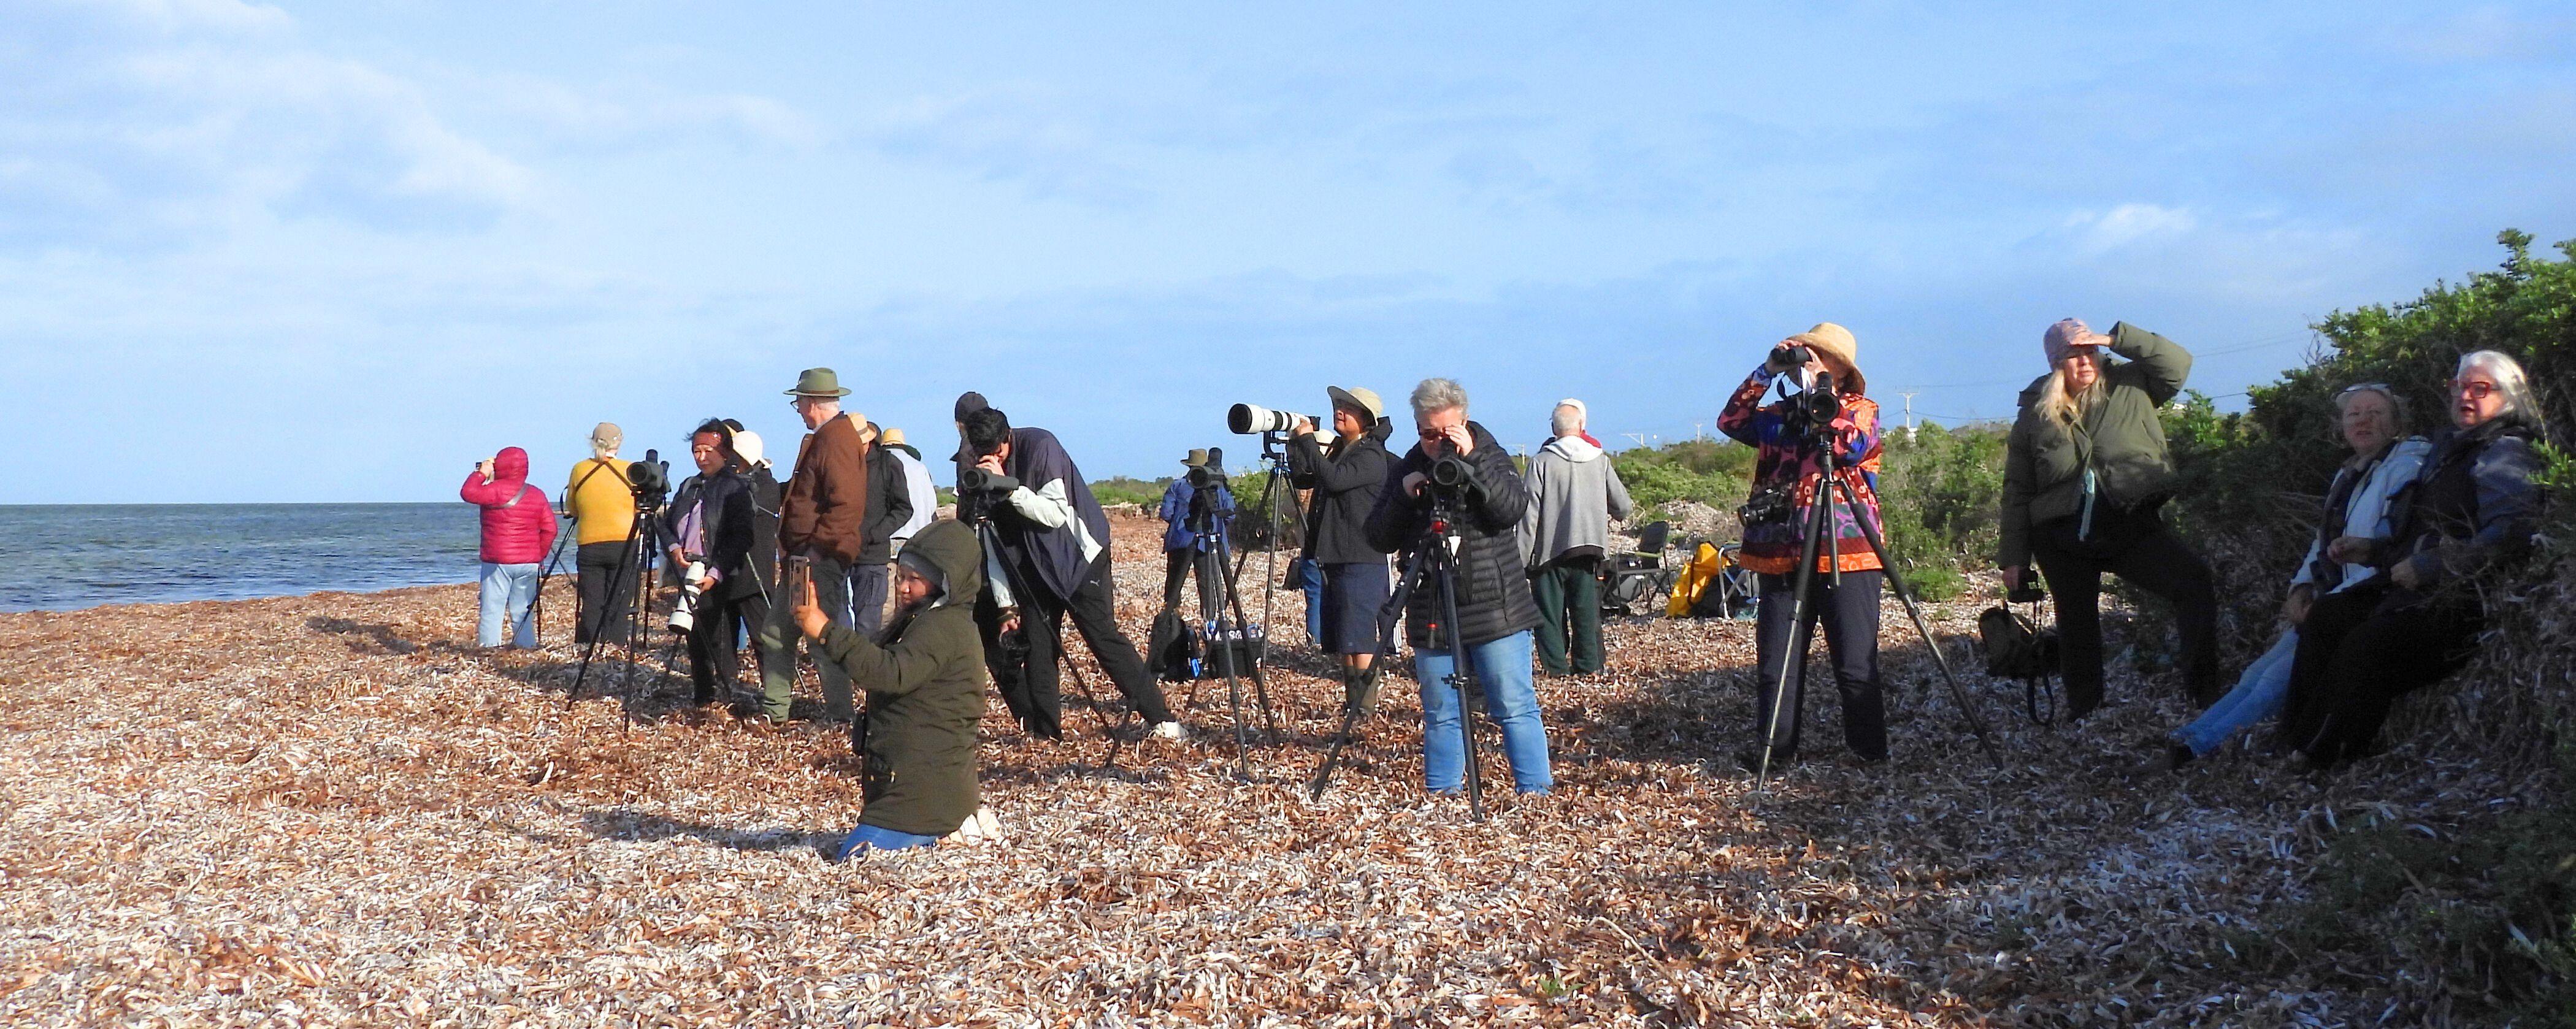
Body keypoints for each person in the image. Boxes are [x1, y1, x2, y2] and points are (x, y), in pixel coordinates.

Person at [2134, 384, 2432, 773]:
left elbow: (2388, 547)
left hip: (2361, 603)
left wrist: (2329, 598)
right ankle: (2188, 737)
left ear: (2396, 423)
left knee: (2273, 681)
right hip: (2330, 599)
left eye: (2375, 413)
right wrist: (2300, 587)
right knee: (2255, 675)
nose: (2363, 421)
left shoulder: (2406, 467)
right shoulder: (2351, 474)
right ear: (2341, 426)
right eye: (2354, 414)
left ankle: (2192, 751)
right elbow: (2322, 542)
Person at [2277, 351, 2547, 768]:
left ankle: (2322, 755)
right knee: (2330, 615)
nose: (2466, 397)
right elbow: (2417, 531)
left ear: (2509, 396)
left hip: (2461, 599)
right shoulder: (2450, 450)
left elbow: (2511, 532)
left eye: (2481, 389)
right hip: (2412, 589)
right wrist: (2374, 551)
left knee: (2370, 644)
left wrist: (2430, 566)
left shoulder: (2504, 451)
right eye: (2459, 387)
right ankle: (2293, 741)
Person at [1999, 318, 2218, 717]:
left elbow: (2177, 363)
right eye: (2074, 354)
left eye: (2091, 351)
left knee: (2193, 583)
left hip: (2129, 522)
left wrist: (2114, 338)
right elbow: (2018, 489)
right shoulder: (2034, 411)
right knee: (2077, 624)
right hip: (2060, 535)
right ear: (2056, 363)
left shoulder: (2131, 384)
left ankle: (2205, 697)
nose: (2085, 361)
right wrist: (2014, 559)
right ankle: (2084, 712)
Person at [1363, 378, 1552, 796]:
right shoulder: (1409, 465)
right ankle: (1442, 796)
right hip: (1433, 606)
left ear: (1464, 422)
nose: (1437, 444)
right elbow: (1377, 537)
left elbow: (1512, 510)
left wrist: (1473, 459)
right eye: (1427, 434)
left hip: (1495, 606)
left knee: (1514, 705)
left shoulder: (1490, 453)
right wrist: (1403, 496)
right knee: (1441, 712)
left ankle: (1535, 794)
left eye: (1445, 433)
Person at [961, 406, 1187, 741]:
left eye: (999, 452)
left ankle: (1163, 720)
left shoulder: (1041, 447)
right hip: (1034, 569)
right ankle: (1047, 734)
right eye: (985, 454)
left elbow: (1055, 514)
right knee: (1039, 649)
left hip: (1080, 558)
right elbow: (994, 546)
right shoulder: (979, 468)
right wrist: (1006, 605)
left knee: (1103, 639)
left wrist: (1009, 488)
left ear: (1008, 437)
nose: (994, 460)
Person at [1718, 324, 1888, 768]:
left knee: (1855, 663)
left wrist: (1821, 394)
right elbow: (1731, 421)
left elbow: (1851, 446)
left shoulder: (1861, 409)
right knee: (1777, 665)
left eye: (1819, 355)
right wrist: (1766, 371)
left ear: (1841, 370)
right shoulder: (1780, 414)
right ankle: (1775, 752)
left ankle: (1869, 753)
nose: (1807, 360)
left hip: (1848, 552)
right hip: (1782, 553)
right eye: (1804, 352)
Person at [793, 518, 989, 859]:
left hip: (926, 794)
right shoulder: (925, 620)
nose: (904, 588)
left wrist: (825, 631)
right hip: (912, 786)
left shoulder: (945, 626)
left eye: (916, 579)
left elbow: (889, 673)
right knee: (853, 855)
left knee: (853, 858)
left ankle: (943, 834)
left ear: (946, 582)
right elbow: (881, 663)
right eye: (901, 577)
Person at [751, 368, 872, 724]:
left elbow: (846, 505)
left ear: (812, 403)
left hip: (816, 558)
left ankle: (838, 714)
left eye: (799, 403)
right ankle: (777, 710)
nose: (799, 411)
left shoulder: (836, 439)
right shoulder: (831, 436)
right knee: (779, 632)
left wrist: (816, 552)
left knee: (819, 637)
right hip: (805, 557)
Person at [1287, 386, 1395, 714]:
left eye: (1349, 408)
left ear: (1366, 419)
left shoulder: (1371, 455)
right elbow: (1306, 480)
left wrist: (1309, 441)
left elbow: (1334, 480)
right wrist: (1297, 447)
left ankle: (1365, 707)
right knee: (1346, 638)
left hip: (1362, 557)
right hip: (1337, 556)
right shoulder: (1342, 449)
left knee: (1360, 638)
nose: (1340, 411)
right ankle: (1354, 703)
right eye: (1338, 405)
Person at [1520, 398, 1635, 678]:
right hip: (1590, 550)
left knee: (1549, 617)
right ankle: (1587, 667)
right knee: (1586, 614)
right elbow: (1624, 507)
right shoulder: (1600, 461)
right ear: (1582, 426)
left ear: (1553, 428)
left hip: (1550, 552)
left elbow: (1529, 515)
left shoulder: (1541, 463)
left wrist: (1520, 560)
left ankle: (1556, 670)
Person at [663, 420, 775, 705]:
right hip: (689, 569)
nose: (701, 457)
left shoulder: (735, 488)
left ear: (724, 452)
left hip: (719, 571)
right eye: (696, 451)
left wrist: (717, 571)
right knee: (697, 639)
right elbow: (667, 524)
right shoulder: (689, 486)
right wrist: (674, 548)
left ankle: (744, 694)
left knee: (726, 637)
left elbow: (742, 536)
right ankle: (704, 697)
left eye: (708, 451)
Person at [461, 446, 558, 649]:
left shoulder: (494, 490)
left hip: (497, 562)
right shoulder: (537, 494)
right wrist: (538, 555)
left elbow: (468, 493)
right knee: (523, 610)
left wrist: (482, 473)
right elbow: (550, 529)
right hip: (529, 562)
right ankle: (526, 647)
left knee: (492, 609)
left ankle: (490, 649)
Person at [559, 423, 637, 645]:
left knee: (592, 603)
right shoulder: (631, 470)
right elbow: (639, 507)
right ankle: (615, 646)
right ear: (619, 443)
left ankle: (589, 647)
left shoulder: (580, 469)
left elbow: (573, 507)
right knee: (619, 602)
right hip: (625, 542)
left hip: (590, 543)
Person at [850, 421, 918, 637]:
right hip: (839, 556)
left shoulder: (888, 464)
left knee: (868, 627)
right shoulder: (841, 463)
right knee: (840, 624)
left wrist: (874, 534)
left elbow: (904, 508)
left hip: (872, 557)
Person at [1154, 449, 1234, 609]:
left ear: (1189, 466)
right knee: (1206, 585)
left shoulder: (1177, 486)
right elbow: (1230, 514)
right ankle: (1209, 618)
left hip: (1180, 541)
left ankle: (1171, 616)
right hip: (1207, 540)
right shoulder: (1218, 486)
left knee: (1174, 584)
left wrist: (1179, 522)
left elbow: (1166, 513)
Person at [880, 427, 937, 553]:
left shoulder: (880, 464)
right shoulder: (920, 467)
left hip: (888, 537)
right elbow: (932, 506)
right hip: (919, 540)